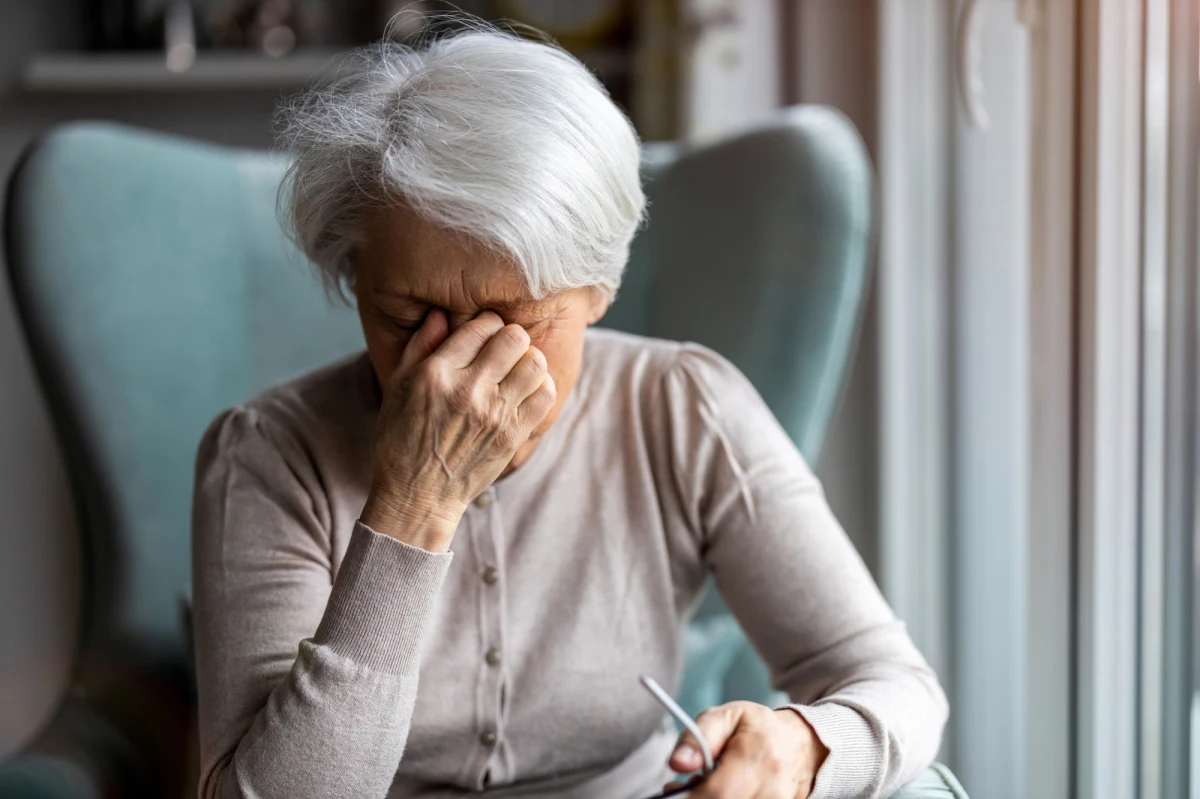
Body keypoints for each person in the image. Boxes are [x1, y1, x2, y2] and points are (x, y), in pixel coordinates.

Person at [191, 22, 947, 799]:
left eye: (516, 318)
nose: (459, 373)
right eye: (410, 317)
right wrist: (414, 504)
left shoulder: (680, 408)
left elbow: (894, 684)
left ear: (599, 288)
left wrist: (806, 744)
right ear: (355, 279)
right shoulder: (266, 454)